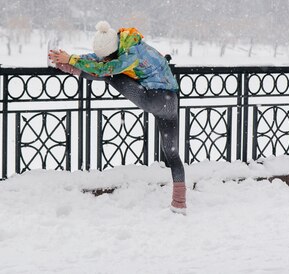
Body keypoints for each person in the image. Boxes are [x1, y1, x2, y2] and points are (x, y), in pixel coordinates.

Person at [48, 21, 186, 214]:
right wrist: (71, 58)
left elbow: (105, 68)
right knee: (172, 154)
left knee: (111, 74)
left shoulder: (130, 55)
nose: (104, 59)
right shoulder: (128, 46)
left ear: (112, 51)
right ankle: (179, 203)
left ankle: (72, 71)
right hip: (170, 103)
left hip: (154, 99)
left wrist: (70, 62)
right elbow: (97, 59)